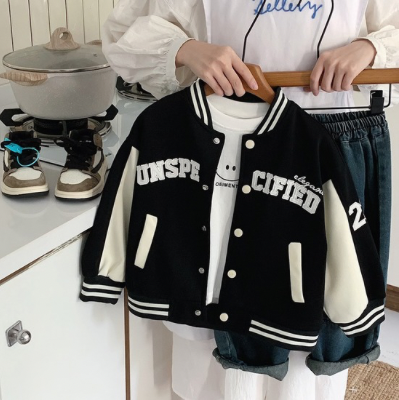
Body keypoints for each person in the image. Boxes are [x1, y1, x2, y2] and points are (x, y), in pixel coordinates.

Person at [101, 1, 399, 399]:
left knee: (326, 307)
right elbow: (122, 36)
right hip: (226, 136)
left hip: (337, 132)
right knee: (218, 304)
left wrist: (371, 47)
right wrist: (186, 49)